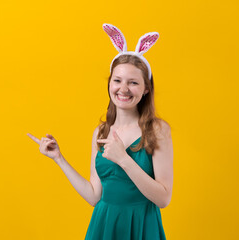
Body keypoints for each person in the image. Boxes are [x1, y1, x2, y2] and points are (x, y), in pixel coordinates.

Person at [27, 24, 173, 239]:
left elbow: (163, 199)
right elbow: (94, 196)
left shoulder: (157, 130)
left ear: (146, 88)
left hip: (142, 225)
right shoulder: (101, 132)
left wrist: (124, 160)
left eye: (133, 82)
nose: (123, 89)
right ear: (110, 84)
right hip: (104, 226)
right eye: (117, 80)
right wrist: (59, 158)